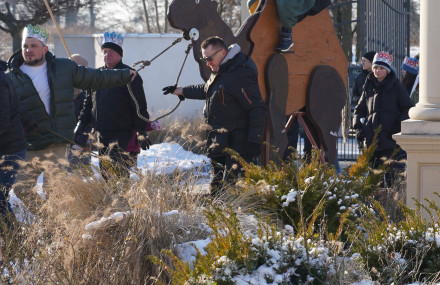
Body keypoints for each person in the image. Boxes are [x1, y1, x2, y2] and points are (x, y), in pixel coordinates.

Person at [9, 25, 136, 200]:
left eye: (33, 46)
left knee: (54, 192)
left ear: (45, 49)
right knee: (21, 189)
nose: (28, 50)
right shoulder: (10, 77)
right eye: (25, 46)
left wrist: (123, 75)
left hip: (56, 144)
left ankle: (55, 226)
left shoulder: (64, 68)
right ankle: (48, 222)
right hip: (29, 146)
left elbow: (95, 77)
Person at [167, 36, 268, 195]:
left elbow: (257, 109)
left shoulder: (240, 73)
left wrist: (254, 141)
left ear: (223, 52)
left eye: (209, 58)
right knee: (217, 190)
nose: (207, 63)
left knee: (231, 191)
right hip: (219, 143)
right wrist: (180, 91)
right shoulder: (220, 70)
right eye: (204, 59)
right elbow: (207, 90)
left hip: (238, 146)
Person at [75, 32, 151, 177]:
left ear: (119, 54)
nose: (107, 55)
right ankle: (110, 199)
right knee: (105, 173)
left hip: (123, 133)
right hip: (102, 133)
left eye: (111, 51)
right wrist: (81, 126)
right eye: (104, 52)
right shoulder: (96, 76)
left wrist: (142, 131)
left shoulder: (130, 75)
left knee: (117, 172)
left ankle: (121, 199)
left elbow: (140, 105)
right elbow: (88, 104)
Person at [353, 51, 413, 184]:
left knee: (393, 180)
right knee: (373, 182)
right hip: (372, 141)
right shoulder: (368, 86)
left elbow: (408, 108)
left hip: (390, 143)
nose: (377, 71)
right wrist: (359, 128)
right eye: (375, 67)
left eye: (381, 68)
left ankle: (393, 204)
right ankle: (374, 205)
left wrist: (397, 128)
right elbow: (359, 110)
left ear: (387, 70)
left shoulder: (396, 87)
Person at [0, 66, 26, 224]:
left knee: (1, 199)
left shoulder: (1, 81)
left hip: (9, 148)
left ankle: (15, 242)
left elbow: (2, 118)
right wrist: (29, 121)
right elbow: (18, 107)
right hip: (8, 145)